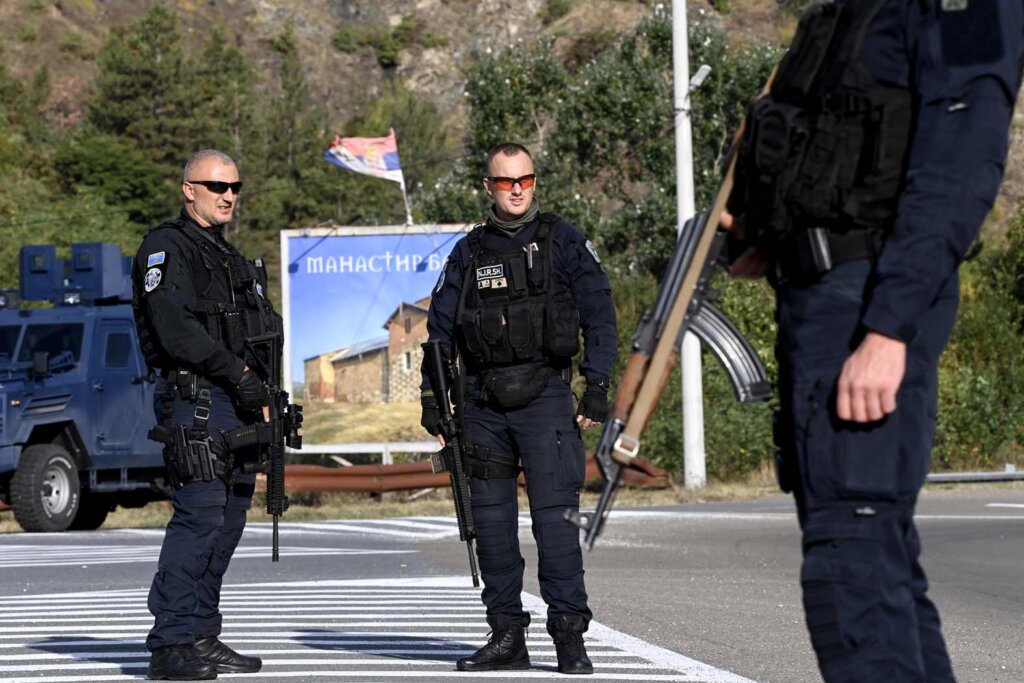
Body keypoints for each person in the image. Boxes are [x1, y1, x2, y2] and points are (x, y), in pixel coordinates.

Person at [722, 3, 1023, 682]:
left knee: (852, 560)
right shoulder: (845, 13)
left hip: (870, 300)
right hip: (818, 298)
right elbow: (823, 147)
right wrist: (769, 231)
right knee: (871, 555)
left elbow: (959, 166)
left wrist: (889, 328)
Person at [420, 142, 617, 675]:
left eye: (525, 180)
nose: (516, 189)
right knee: (492, 528)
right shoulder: (467, 252)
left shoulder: (564, 241)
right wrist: (434, 402)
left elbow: (600, 313)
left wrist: (596, 384)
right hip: (482, 405)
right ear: (488, 186)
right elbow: (438, 331)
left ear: (534, 182)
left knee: (556, 525)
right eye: (505, 181)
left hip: (546, 399)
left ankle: (569, 638)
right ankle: (507, 635)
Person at [132, 149, 277, 680]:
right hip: (197, 401)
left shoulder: (228, 257)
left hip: (237, 404)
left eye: (235, 186)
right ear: (188, 189)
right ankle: (170, 643)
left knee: (230, 520)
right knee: (198, 518)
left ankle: (200, 631)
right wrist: (237, 374)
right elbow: (175, 330)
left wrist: (264, 390)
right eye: (216, 186)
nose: (228, 195)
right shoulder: (166, 249)